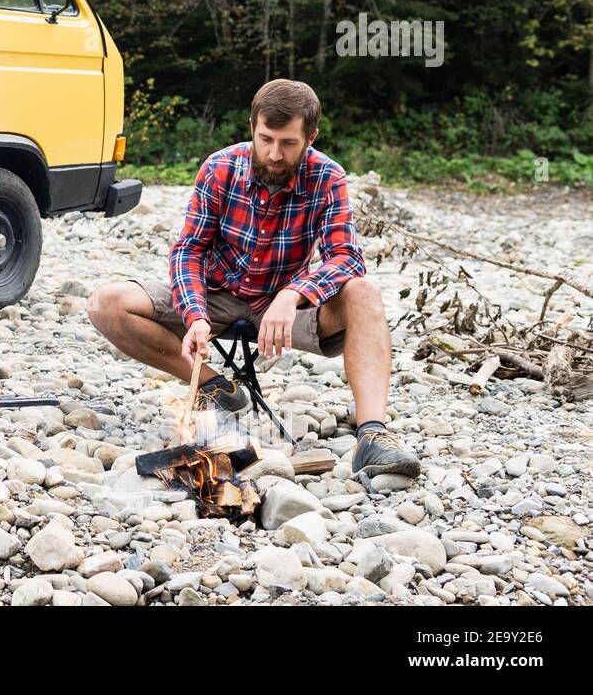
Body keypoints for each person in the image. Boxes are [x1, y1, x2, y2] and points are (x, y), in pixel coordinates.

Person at [87, 79, 421, 478]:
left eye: (288, 143)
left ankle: (373, 436)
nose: (274, 154)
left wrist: (295, 293)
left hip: (287, 311)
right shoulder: (220, 167)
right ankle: (219, 388)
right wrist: (194, 315)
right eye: (265, 139)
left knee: (364, 292)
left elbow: (347, 258)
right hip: (217, 296)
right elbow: (189, 249)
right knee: (105, 302)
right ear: (252, 127)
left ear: (311, 136)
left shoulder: (328, 177)